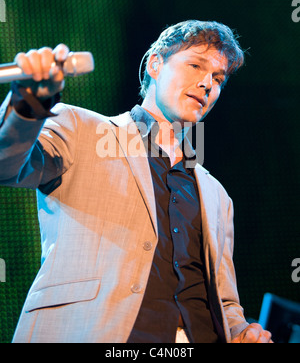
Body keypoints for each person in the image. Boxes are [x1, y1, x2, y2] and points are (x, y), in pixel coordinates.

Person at [0, 20, 273, 343]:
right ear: (155, 64)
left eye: (218, 78)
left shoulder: (216, 195)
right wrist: (30, 101)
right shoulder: (80, 127)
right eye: (195, 65)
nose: (206, 84)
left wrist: (242, 331)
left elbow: (224, 301)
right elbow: (7, 164)